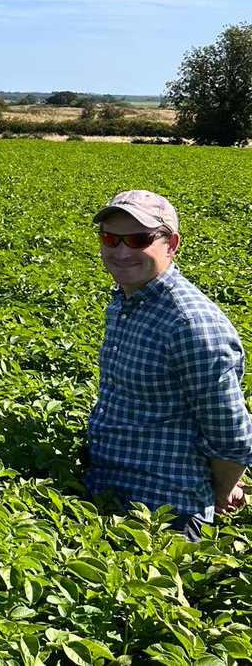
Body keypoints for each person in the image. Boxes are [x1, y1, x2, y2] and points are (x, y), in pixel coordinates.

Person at [87, 189, 252, 541]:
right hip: (105, 490)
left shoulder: (190, 324)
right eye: (110, 238)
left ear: (171, 243)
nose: (121, 251)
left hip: (164, 514)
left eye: (138, 239)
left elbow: (232, 438)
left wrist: (220, 490)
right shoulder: (126, 301)